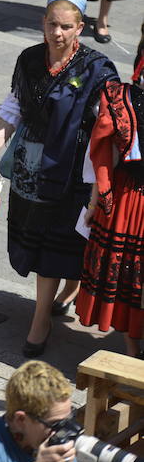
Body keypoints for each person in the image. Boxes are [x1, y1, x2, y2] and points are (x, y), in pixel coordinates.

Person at [0, 0, 118, 358]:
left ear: (80, 29)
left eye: (66, 26)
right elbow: (14, 108)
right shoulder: (29, 59)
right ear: (42, 22)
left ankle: (40, 321)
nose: (57, 33)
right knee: (38, 243)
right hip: (29, 169)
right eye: (52, 24)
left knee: (57, 247)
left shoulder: (98, 70)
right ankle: (64, 293)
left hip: (71, 171)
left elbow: (109, 130)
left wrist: (102, 185)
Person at [76, 21, 144, 359]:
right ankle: (132, 348)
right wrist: (95, 201)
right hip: (130, 201)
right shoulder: (120, 99)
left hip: (132, 201)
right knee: (130, 277)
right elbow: (104, 156)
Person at [0, 360, 77, 462]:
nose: (64, 431)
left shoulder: (58, 443)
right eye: (56, 424)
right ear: (20, 420)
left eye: (68, 420)